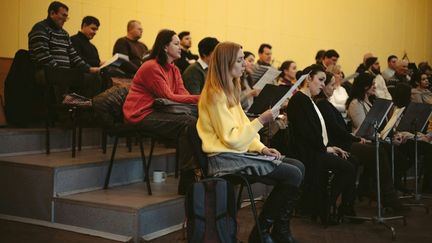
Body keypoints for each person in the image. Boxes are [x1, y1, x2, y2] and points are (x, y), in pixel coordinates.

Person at [197, 42, 304, 243]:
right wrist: (262, 120)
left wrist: (262, 147)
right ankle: (262, 232)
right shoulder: (215, 94)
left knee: (297, 166)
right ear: (226, 63)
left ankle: (280, 229)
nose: (245, 65)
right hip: (223, 158)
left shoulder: (228, 90)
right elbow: (233, 140)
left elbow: (244, 130)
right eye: (239, 60)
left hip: (234, 153)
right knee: (293, 173)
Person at [315, 72, 407, 212]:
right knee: (377, 150)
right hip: (340, 145)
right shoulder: (323, 105)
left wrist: (354, 136)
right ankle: (387, 196)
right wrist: (356, 138)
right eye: (331, 85)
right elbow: (336, 131)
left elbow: (339, 130)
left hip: (345, 141)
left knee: (379, 150)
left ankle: (369, 190)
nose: (334, 88)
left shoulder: (326, 104)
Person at [122, 29, 199, 194]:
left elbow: (182, 94)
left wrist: (200, 101)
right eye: (176, 44)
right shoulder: (151, 67)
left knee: (196, 122)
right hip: (141, 114)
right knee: (190, 124)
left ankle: (192, 176)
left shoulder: (174, 69)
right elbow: (168, 96)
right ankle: (190, 177)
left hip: (158, 111)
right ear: (165, 47)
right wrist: (202, 98)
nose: (180, 47)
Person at [286, 64, 357, 222]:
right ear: (308, 79)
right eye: (320, 80)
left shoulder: (307, 100)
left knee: (351, 161)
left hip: (315, 149)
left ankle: (338, 207)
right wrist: (327, 149)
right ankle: (325, 205)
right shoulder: (300, 100)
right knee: (348, 168)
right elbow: (307, 134)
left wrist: (329, 147)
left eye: (325, 81)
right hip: (307, 153)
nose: (323, 84)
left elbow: (315, 133)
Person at [28, 1, 99, 73]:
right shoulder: (40, 29)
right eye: (63, 15)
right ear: (52, 13)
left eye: (66, 17)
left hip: (62, 74)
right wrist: (62, 73)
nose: (65, 20)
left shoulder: (64, 34)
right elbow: (44, 57)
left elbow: (74, 57)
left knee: (93, 77)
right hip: (46, 72)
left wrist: (89, 69)